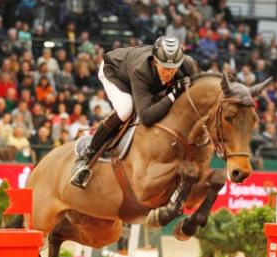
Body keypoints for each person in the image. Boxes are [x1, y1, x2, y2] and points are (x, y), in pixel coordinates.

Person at [70, 36, 198, 188]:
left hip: (137, 76)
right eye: (164, 67)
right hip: (114, 71)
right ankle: (88, 153)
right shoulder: (141, 70)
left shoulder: (187, 65)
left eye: (173, 68)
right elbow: (146, 117)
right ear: (155, 61)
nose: (169, 73)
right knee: (126, 109)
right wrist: (172, 95)